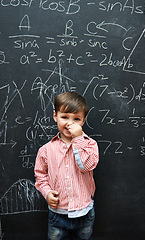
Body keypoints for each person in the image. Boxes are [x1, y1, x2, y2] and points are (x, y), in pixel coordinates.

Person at [34, 92, 99, 240]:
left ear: (83, 121)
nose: (70, 123)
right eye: (65, 117)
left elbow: (86, 166)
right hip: (58, 215)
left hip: (85, 212)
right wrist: (47, 193)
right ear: (55, 116)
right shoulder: (45, 150)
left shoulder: (90, 145)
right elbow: (40, 176)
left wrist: (78, 139)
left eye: (76, 119)